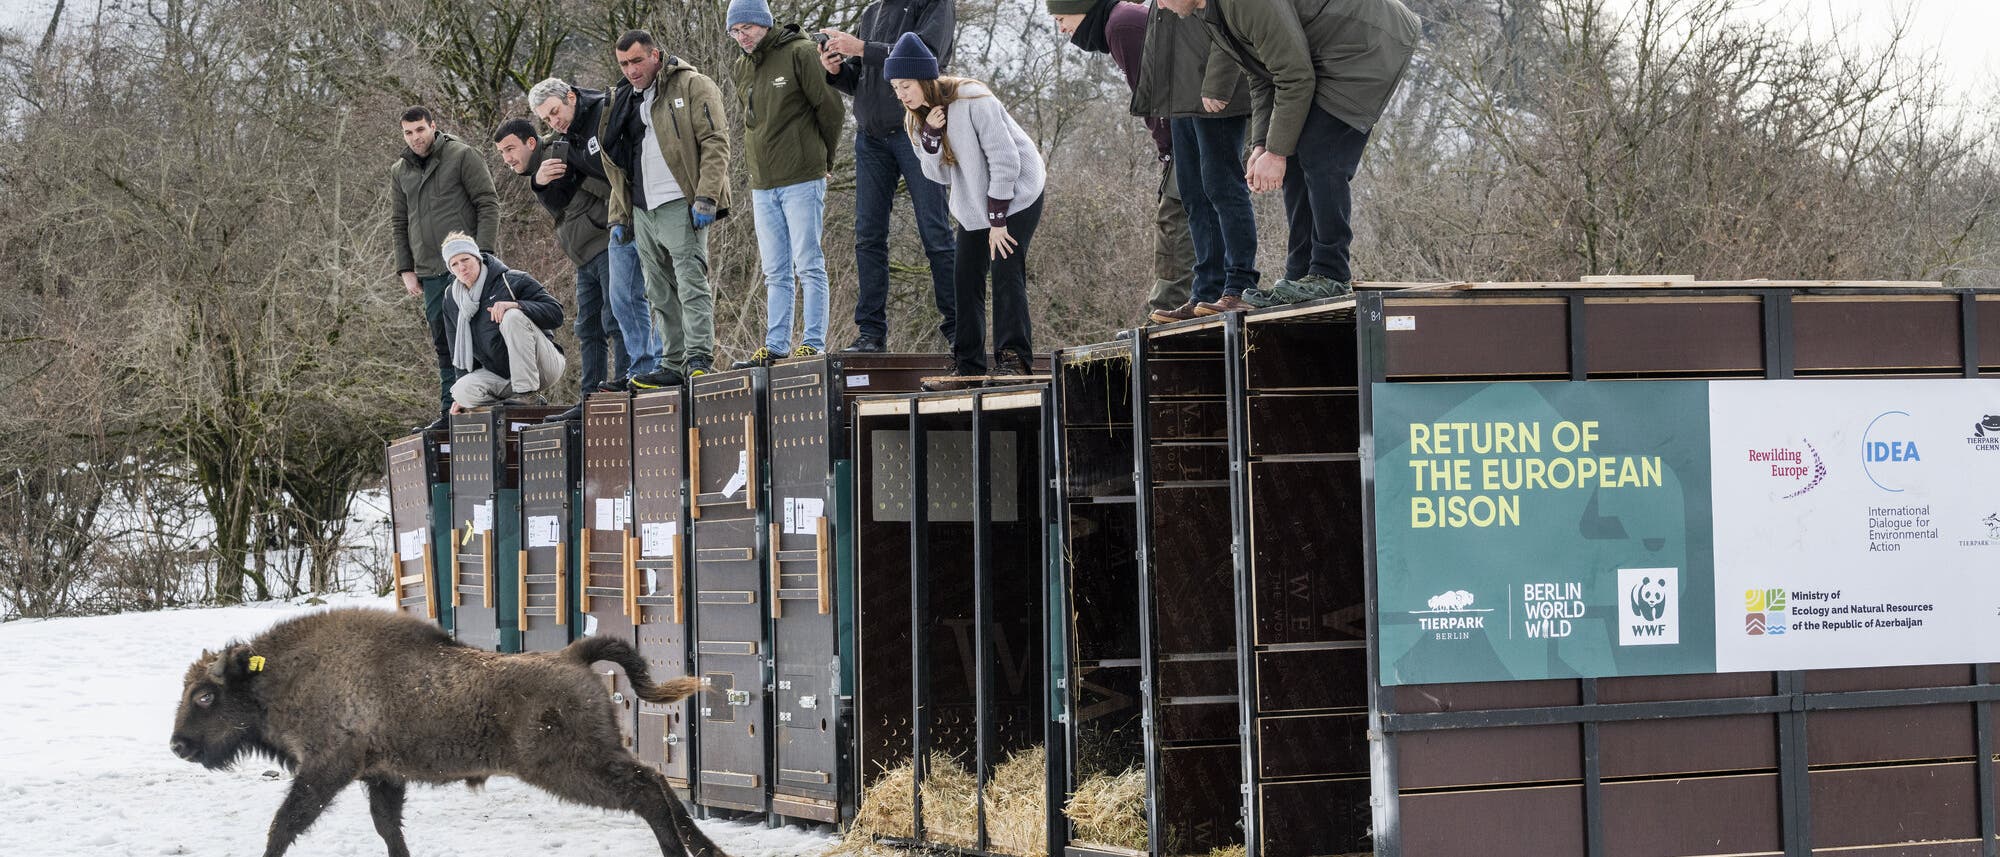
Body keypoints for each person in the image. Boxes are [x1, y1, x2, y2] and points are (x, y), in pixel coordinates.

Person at [1158, 0, 1418, 307]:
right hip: (1326, 49)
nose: (1160, 4)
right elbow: (1261, 73)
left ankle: (1331, 273)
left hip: (1367, 40)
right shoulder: (1214, 12)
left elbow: (1294, 75)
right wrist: (1263, 145)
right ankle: (1299, 276)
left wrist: (1276, 153)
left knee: (1319, 152)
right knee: (1294, 151)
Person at [887, 34, 1045, 386]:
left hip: (1018, 193)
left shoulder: (973, 97)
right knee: (965, 279)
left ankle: (1014, 359)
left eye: (906, 85)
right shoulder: (915, 120)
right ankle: (969, 364)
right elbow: (938, 174)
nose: (901, 94)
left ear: (925, 79)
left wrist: (999, 220)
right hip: (974, 204)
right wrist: (930, 137)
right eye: (896, 87)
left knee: (1005, 269)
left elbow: (1004, 159)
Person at [819, 0, 958, 352]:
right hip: (870, 138)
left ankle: (960, 328)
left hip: (916, 129)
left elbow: (927, 57)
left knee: (936, 233)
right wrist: (835, 70)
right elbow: (861, 81)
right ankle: (871, 333)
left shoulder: (934, 4)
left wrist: (862, 47)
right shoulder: (871, 13)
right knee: (867, 237)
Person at [599, 30, 733, 386]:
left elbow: (716, 142)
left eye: (637, 60)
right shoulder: (624, 99)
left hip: (680, 200)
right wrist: (619, 214)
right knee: (658, 292)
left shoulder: (692, 84)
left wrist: (707, 195)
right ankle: (672, 364)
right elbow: (618, 165)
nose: (631, 69)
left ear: (655, 55)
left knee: (690, 282)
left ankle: (699, 357)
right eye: (624, 64)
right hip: (643, 208)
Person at [1049, 0, 1196, 325]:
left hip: (1193, 123)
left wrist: (1167, 147)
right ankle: (1195, 297)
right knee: (1190, 210)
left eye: (1061, 18)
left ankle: (1167, 310)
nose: (1061, 29)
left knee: (1174, 212)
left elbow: (1152, 95)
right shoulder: (1119, 22)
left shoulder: (1121, 25)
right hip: (1191, 123)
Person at [725, 0, 845, 368]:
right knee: (774, 269)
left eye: (746, 27)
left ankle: (812, 342)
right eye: (734, 30)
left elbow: (831, 108)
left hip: (802, 176)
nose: (740, 36)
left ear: (763, 23)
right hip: (763, 183)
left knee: (808, 261)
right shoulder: (741, 65)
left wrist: (824, 160)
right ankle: (775, 345)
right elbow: (751, 123)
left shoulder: (801, 52)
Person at [525, 77, 665, 393]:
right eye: (546, 119)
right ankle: (641, 370)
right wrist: (539, 182)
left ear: (571, 97)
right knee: (620, 301)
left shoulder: (604, 110)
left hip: (644, 205)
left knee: (654, 292)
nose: (553, 121)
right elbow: (560, 201)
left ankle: (660, 364)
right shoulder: (568, 140)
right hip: (620, 217)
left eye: (554, 111)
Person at [1130, 0, 1260, 318]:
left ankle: (1238, 287)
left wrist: (1218, 84)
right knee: (1193, 194)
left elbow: (1231, 24)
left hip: (1215, 90)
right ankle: (1206, 291)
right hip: (1180, 92)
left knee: (1222, 186)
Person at [491, 119, 622, 423]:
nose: (507, 158)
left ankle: (625, 384)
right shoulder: (541, 168)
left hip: (605, 241)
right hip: (583, 254)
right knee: (588, 328)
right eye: (501, 153)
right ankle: (590, 398)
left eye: (510, 149)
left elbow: (596, 184)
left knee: (614, 319)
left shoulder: (556, 153)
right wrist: (536, 182)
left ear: (531, 143)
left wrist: (619, 222)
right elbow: (559, 200)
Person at [390, 107, 499, 430]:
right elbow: (399, 221)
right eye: (408, 133)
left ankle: (482, 404)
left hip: (466, 268)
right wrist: (405, 269)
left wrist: (483, 255)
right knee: (443, 342)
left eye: (420, 130)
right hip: (428, 270)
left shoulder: (462, 155)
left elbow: (488, 203)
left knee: (478, 337)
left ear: (433, 127)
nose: (415, 138)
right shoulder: (399, 171)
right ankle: (448, 412)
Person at [436, 233, 567, 412]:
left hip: (543, 366)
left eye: (465, 259)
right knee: (460, 390)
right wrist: (462, 400)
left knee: (512, 316)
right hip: (503, 376)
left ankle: (528, 395)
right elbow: (456, 351)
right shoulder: (451, 300)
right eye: (454, 264)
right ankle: (509, 409)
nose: (462, 268)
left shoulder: (511, 280)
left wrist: (517, 305)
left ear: (477, 257)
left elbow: (556, 314)